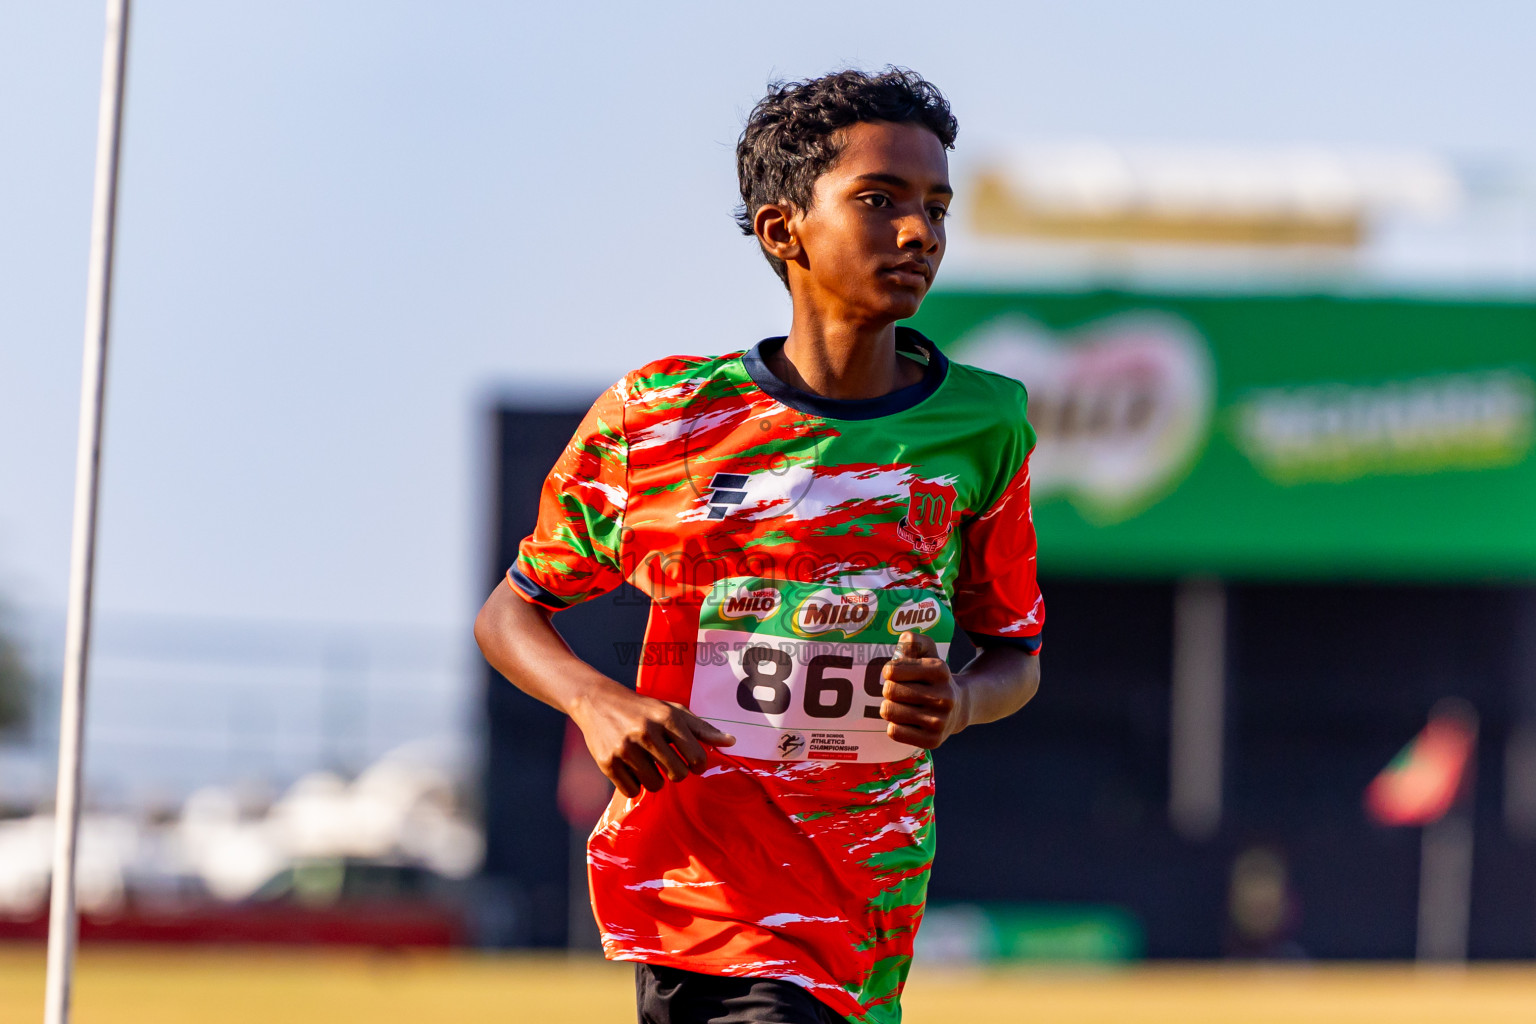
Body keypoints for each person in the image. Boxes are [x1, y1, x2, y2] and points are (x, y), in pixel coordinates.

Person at [475, 67, 1044, 1024]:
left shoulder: (985, 424)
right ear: (784, 230)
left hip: (867, 910)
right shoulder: (661, 418)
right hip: (698, 896)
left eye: (937, 207)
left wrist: (957, 703)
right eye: (880, 200)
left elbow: (1016, 655)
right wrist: (598, 701)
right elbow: (511, 610)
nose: (920, 233)